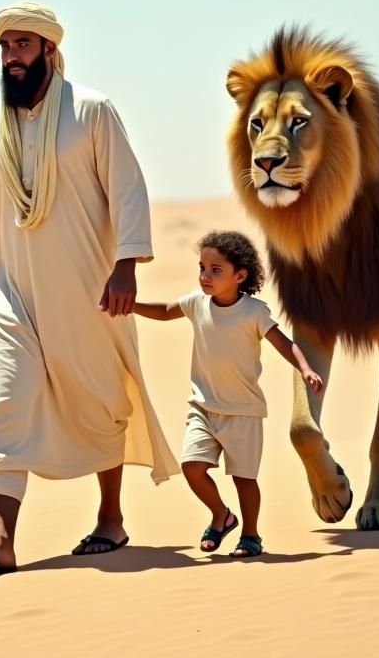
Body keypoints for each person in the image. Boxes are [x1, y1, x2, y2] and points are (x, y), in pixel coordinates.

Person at [0, 1, 178, 575]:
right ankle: (0, 539)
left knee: (101, 398)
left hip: (89, 287)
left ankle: (111, 517)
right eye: (5, 47)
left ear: (49, 50)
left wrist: (126, 265)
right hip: (13, 294)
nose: (12, 57)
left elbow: (128, 189)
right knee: (5, 403)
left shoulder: (93, 112)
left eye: (23, 45)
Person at [132, 230, 322, 559]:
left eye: (215, 270)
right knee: (192, 466)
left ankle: (250, 535)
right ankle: (222, 515)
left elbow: (285, 344)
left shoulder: (254, 312)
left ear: (240, 275)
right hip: (203, 408)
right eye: (202, 267)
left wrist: (305, 369)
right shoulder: (196, 302)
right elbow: (164, 311)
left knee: (244, 480)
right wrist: (129, 305)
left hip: (244, 412)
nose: (205, 275)